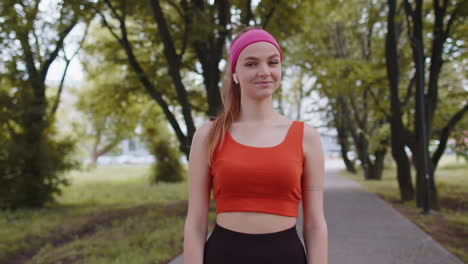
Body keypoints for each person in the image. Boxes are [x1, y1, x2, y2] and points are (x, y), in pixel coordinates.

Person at [183, 26, 328, 264]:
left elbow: (315, 225)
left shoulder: (306, 137)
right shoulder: (208, 136)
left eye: (272, 63)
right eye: (251, 64)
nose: (264, 71)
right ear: (235, 74)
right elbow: (195, 224)